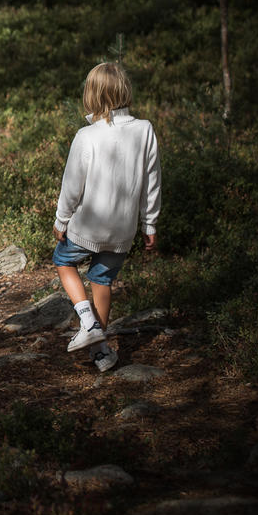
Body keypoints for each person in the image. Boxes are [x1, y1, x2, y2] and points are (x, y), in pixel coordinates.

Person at [53, 62, 162, 373]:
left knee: (63, 261)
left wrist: (62, 220)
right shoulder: (145, 130)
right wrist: (149, 223)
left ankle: (89, 322)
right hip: (124, 230)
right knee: (102, 279)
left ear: (92, 95)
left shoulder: (87, 135)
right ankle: (101, 352)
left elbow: (72, 185)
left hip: (87, 227)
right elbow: (152, 181)